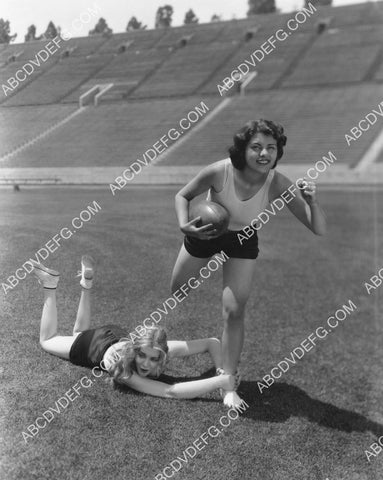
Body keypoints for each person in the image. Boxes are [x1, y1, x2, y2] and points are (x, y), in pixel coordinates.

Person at [171, 119, 327, 408]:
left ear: (278, 152)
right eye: (256, 147)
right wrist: (185, 226)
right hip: (206, 232)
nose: (264, 153)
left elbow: (317, 228)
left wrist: (312, 202)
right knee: (178, 291)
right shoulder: (220, 172)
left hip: (242, 239)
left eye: (271, 148)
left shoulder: (277, 182)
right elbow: (183, 195)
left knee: (234, 309)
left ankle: (228, 380)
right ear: (243, 150)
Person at [33, 256, 238, 400]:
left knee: (79, 333)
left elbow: (212, 343)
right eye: (142, 356)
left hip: (110, 335)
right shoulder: (123, 370)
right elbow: (170, 391)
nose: (147, 364)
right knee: (47, 340)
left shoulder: (159, 349)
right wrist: (220, 381)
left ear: (162, 354)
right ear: (134, 350)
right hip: (94, 345)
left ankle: (86, 285)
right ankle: (50, 286)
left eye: (153, 358)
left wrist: (220, 369)